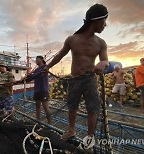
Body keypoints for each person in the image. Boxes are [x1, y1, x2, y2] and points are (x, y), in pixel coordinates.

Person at [44, 3, 109, 142]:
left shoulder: (101, 43)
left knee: (93, 108)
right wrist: (47, 66)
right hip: (74, 79)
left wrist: (103, 64)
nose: (105, 25)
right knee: (72, 105)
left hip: (90, 78)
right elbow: (59, 56)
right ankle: (71, 130)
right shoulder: (72, 39)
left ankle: (90, 139)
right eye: (104, 22)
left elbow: (105, 61)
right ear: (96, 21)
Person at [24, 56, 51, 124]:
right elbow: (31, 78)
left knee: (45, 107)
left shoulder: (45, 67)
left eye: (37, 59)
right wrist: (26, 77)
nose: (36, 61)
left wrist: (31, 75)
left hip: (43, 90)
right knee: (37, 106)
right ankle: (38, 121)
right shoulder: (36, 70)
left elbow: (37, 75)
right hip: (37, 90)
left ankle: (50, 123)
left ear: (41, 59)